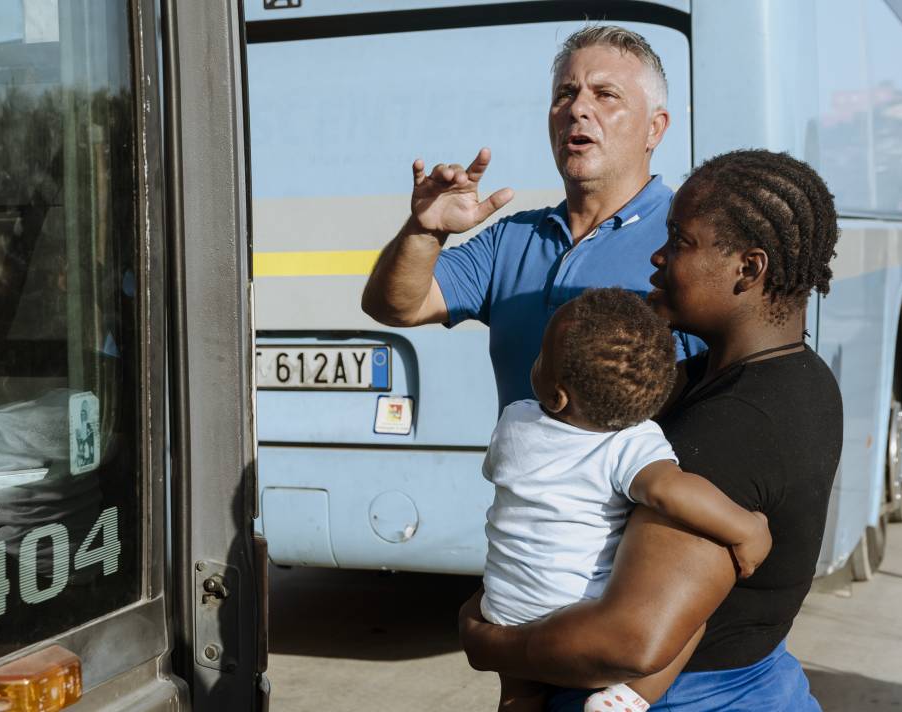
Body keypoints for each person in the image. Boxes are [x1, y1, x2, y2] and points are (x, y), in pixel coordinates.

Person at [458, 149, 843, 711]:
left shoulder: (736, 425)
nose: (658, 257)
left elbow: (631, 641)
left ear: (749, 268)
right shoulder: (749, 377)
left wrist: (487, 639)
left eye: (681, 242)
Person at [361, 25, 703, 414]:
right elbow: (394, 307)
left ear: (655, 128)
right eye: (565, 94)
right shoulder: (513, 238)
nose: (577, 109)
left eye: (605, 95)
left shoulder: (687, 242)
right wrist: (424, 231)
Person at [481, 288, 771, 712]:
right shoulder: (631, 443)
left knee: (519, 693)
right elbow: (668, 490)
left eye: (541, 358)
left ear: (558, 396)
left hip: (504, 605)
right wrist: (747, 528)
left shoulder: (515, 421)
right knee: (692, 622)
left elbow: (497, 473)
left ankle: (519, 700)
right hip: (577, 611)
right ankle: (629, 697)